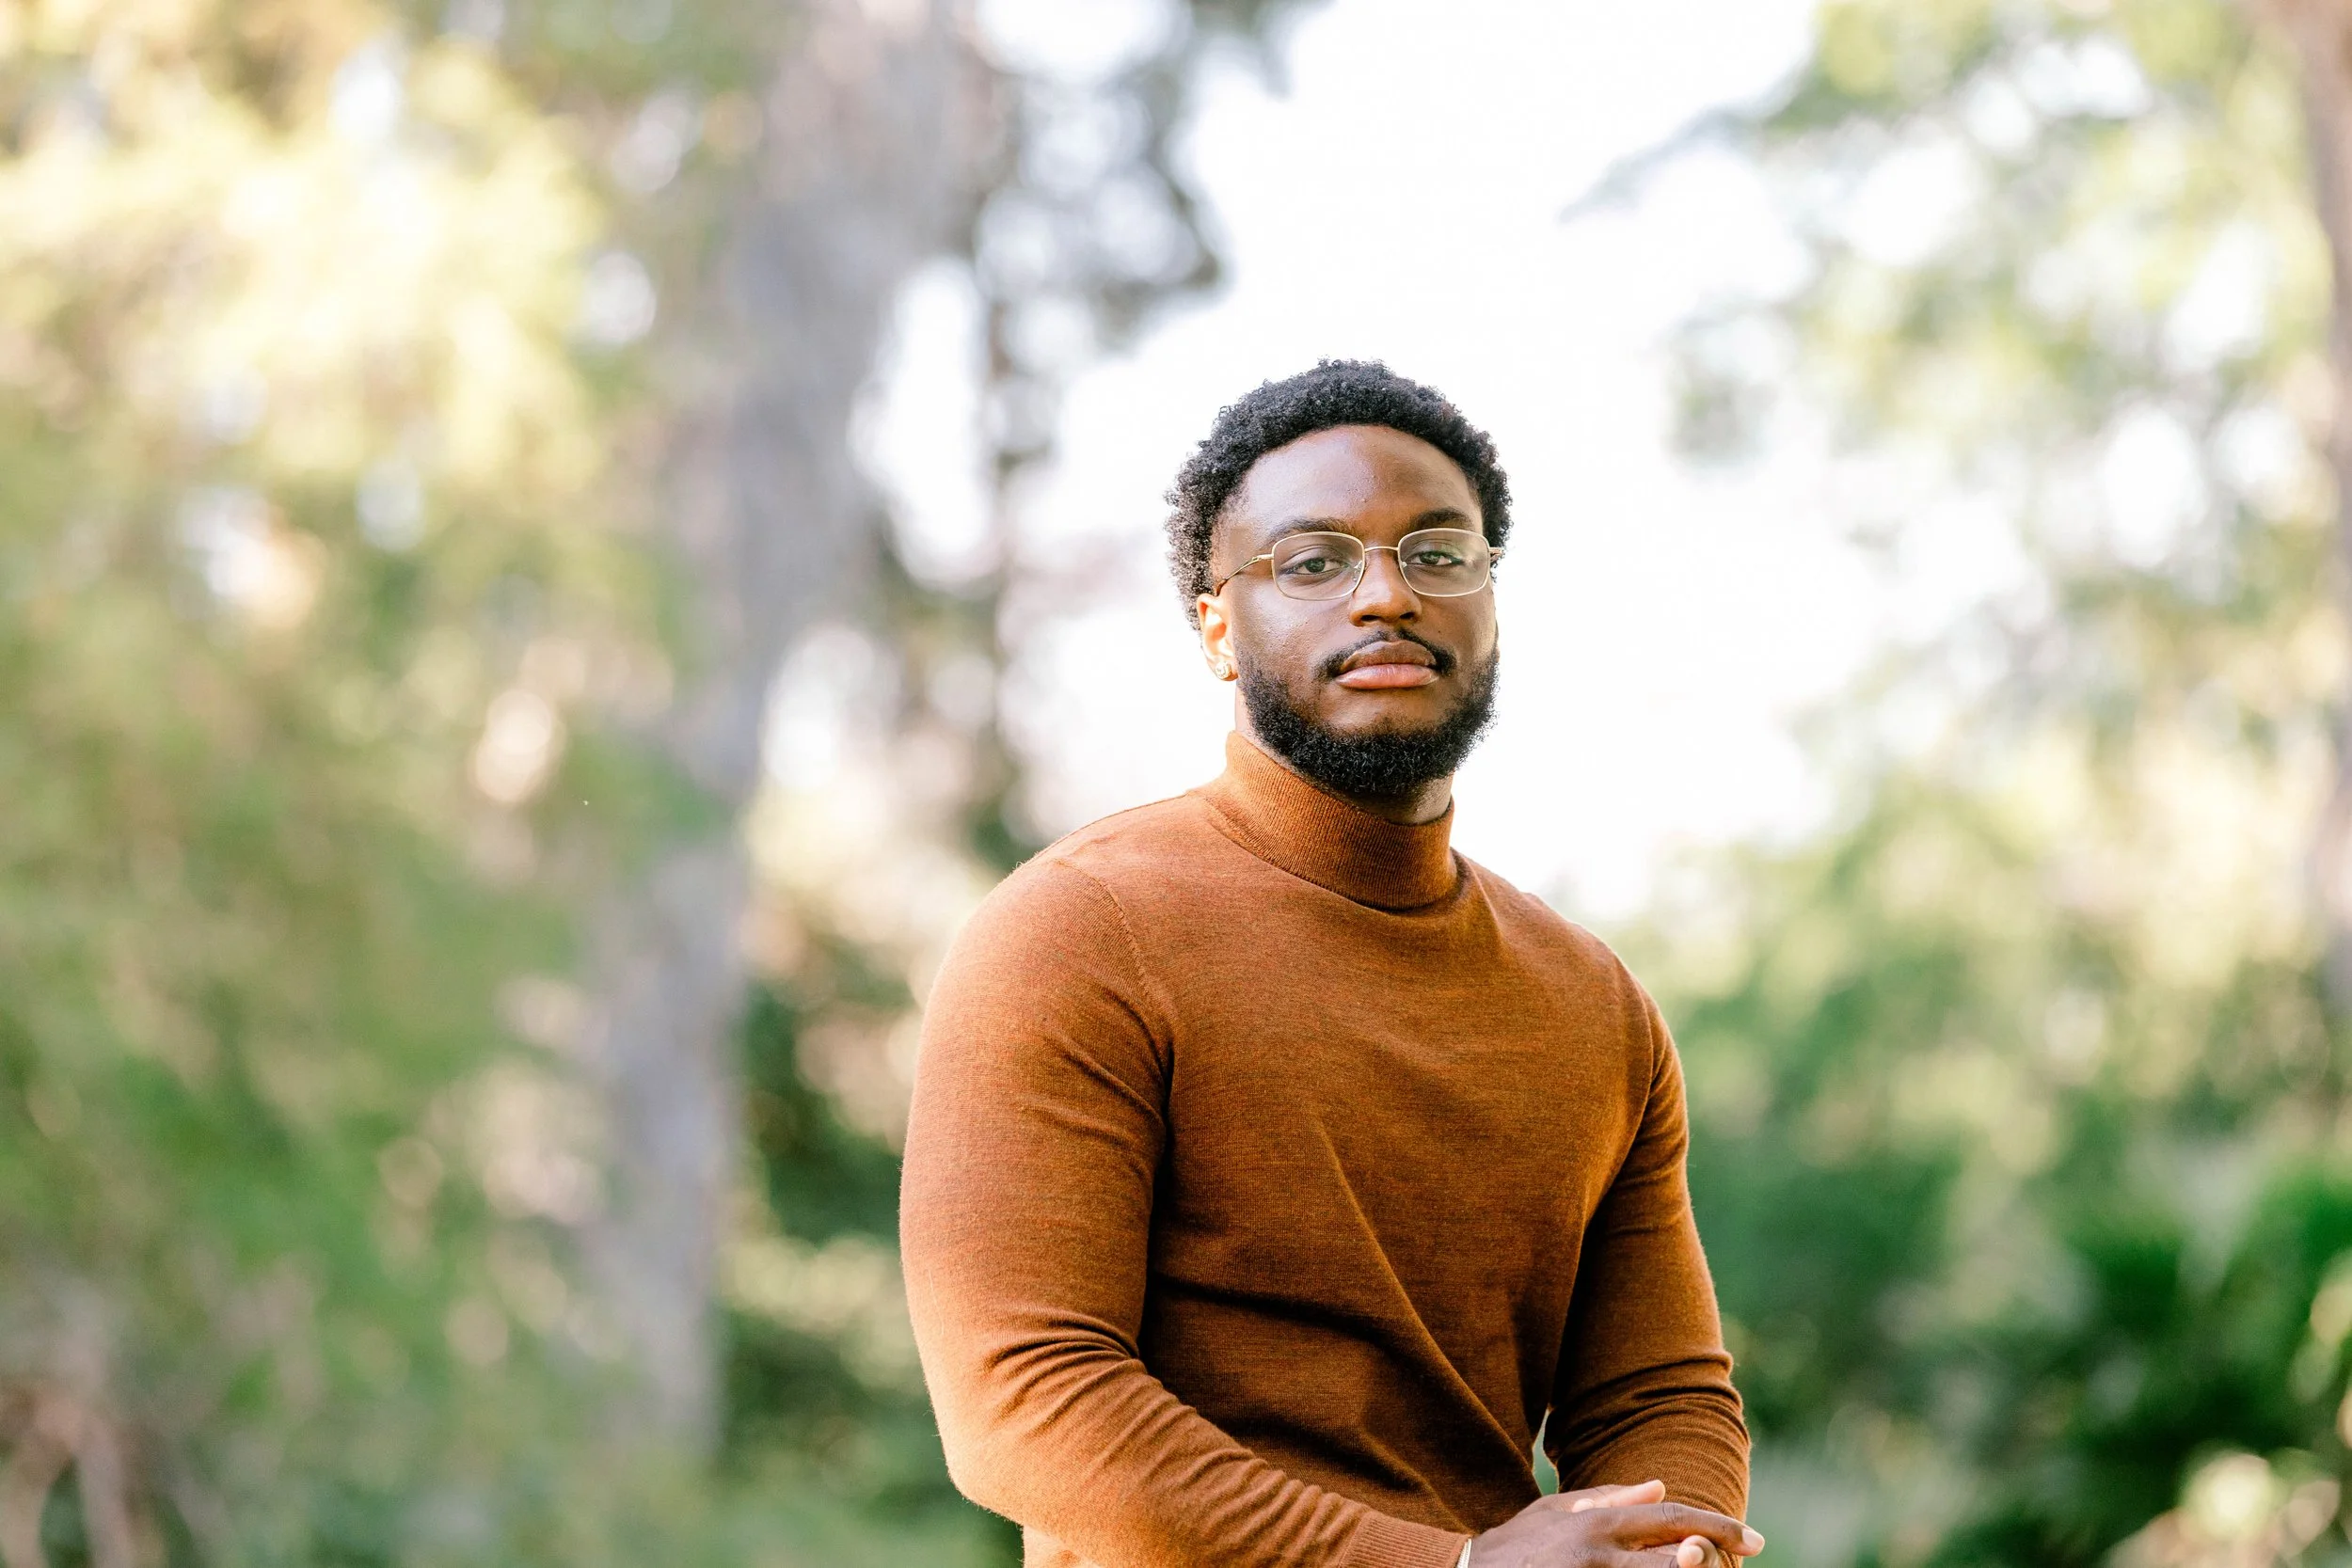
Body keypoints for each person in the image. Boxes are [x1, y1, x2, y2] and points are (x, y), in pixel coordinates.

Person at [900, 360, 1762, 1568]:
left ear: (1491, 601)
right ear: (1215, 623)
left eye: (1437, 552)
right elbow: (1021, 1397)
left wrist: (1665, 1549)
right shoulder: (1077, 931)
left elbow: (1657, 1391)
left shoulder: (1590, 1000)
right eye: (1313, 561)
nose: (1386, 597)